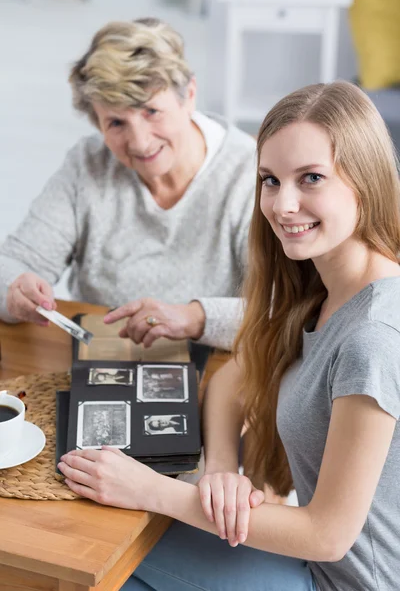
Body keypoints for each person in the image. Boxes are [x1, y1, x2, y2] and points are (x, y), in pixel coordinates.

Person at [57, 80, 400, 591]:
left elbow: (327, 535)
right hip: (316, 564)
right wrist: (220, 473)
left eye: (311, 178)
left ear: (366, 182)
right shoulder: (322, 289)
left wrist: (152, 490)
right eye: (270, 179)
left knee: (91, 561)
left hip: (343, 582)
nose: (283, 205)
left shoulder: (373, 336)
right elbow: (236, 377)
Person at [0, 17, 255, 350]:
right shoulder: (86, 165)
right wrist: (14, 288)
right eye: (117, 122)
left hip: (218, 366)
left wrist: (195, 318)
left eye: (151, 111)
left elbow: (282, 310)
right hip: (106, 357)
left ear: (188, 96)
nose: (140, 142)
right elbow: (13, 264)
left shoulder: (250, 172)